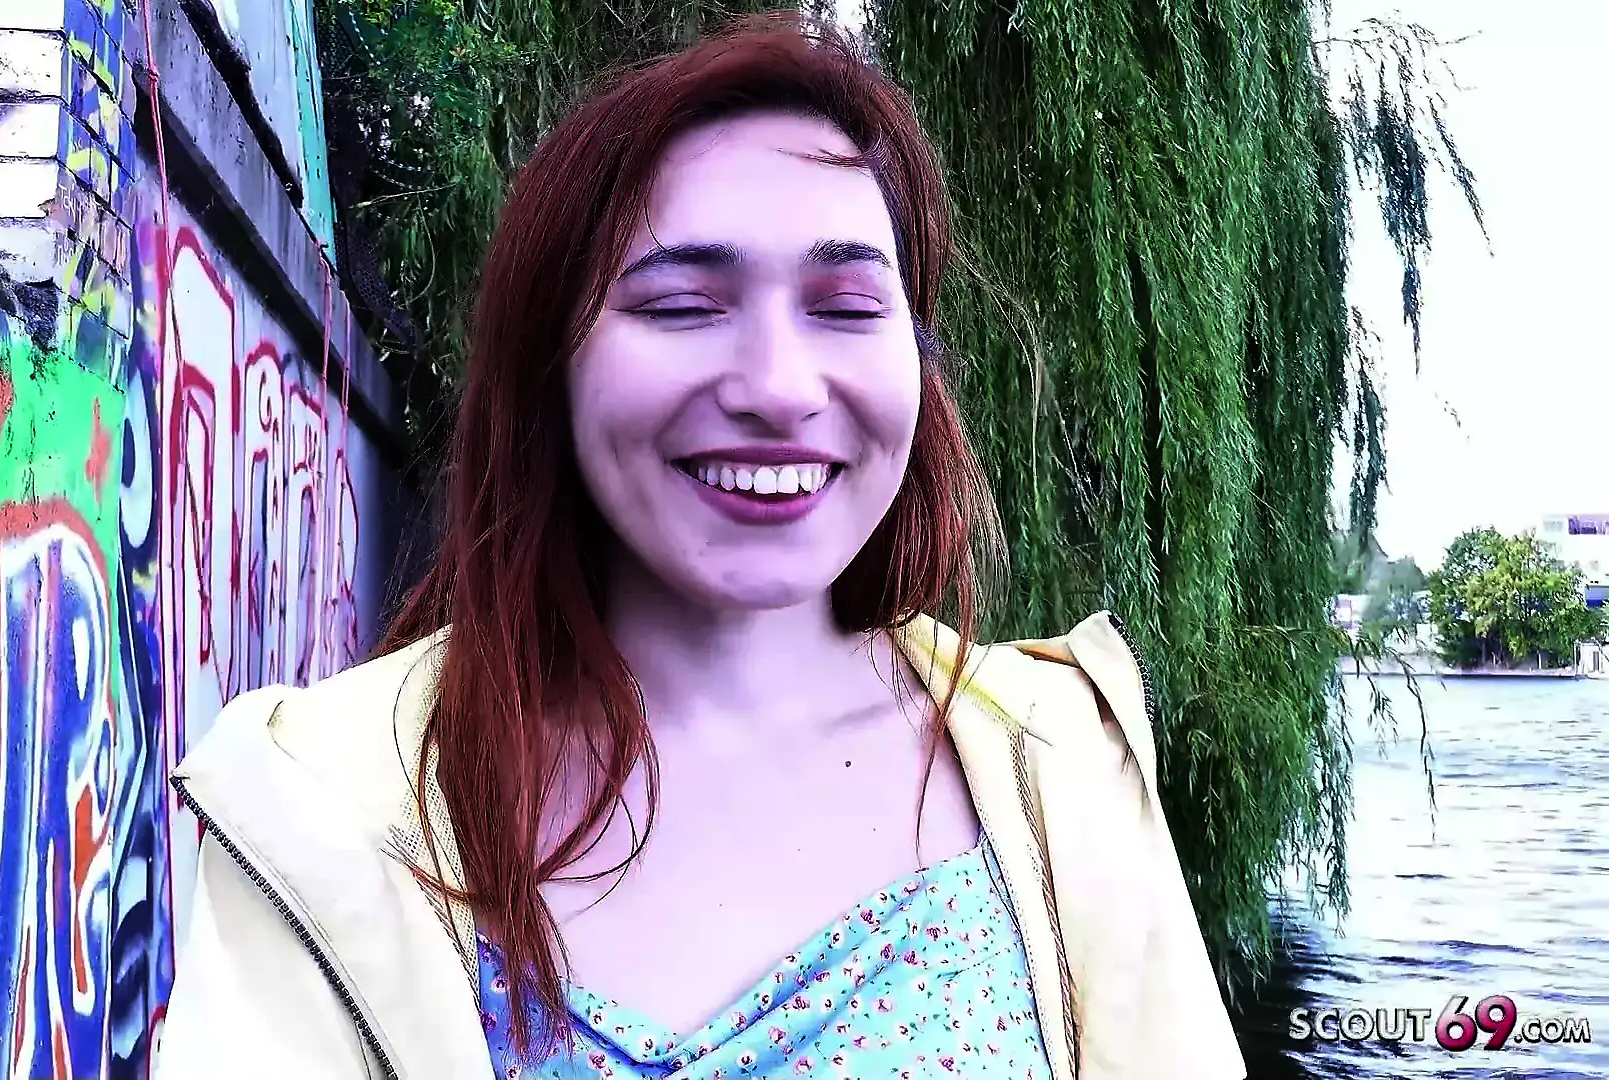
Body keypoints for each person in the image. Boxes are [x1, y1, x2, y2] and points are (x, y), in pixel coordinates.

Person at [156, 12, 1245, 1080]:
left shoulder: (1067, 762)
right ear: (551, 364)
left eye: (845, 306)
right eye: (681, 305)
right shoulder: (316, 799)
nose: (777, 388)